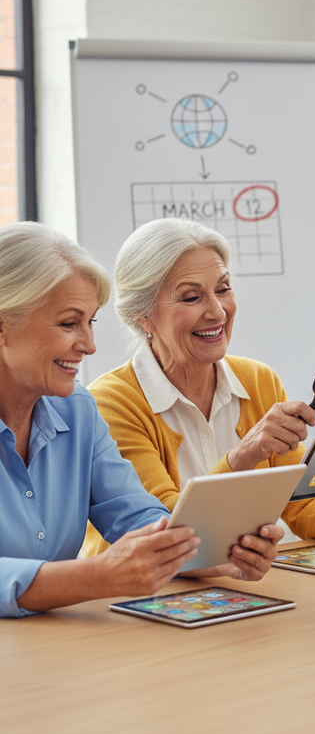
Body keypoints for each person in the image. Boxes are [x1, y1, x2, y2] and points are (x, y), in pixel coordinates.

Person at [0, 223, 281, 618]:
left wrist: (215, 554)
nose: (89, 345)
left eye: (90, 323)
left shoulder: (77, 411)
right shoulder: (106, 399)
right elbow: (94, 572)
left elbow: (138, 515)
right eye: (68, 323)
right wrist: (91, 577)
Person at [81, 219, 315, 560]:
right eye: (192, 297)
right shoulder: (111, 402)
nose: (218, 311)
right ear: (141, 315)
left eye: (223, 289)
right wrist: (244, 456)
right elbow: (165, 534)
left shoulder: (258, 380)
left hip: (232, 585)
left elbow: (301, 508)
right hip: (143, 592)